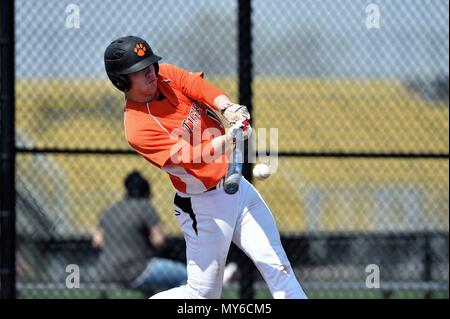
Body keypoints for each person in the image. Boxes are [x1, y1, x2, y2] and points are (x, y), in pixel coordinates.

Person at [103, 35, 307, 299]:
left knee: (278, 267)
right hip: (203, 205)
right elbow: (189, 157)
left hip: (238, 190)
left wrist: (228, 107)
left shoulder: (164, 74)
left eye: (150, 66)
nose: (151, 73)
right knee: (203, 296)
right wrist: (228, 140)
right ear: (121, 81)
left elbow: (196, 86)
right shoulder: (138, 127)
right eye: (140, 72)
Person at [92, 171, 187, 291]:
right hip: (137, 271)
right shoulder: (145, 207)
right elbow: (158, 240)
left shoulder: (111, 209)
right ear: (146, 192)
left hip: (106, 271)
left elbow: (97, 241)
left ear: (126, 191)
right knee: (185, 275)